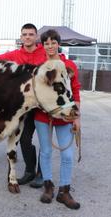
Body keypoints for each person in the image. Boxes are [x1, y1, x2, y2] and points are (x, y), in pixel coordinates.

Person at [0, 23, 46, 188]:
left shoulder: (44, 56)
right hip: (23, 107)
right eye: (25, 34)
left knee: (44, 141)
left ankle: (42, 174)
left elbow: (59, 64)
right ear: (21, 37)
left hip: (41, 106)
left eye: (31, 34)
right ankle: (29, 172)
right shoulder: (14, 54)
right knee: (25, 139)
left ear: (36, 37)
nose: (28, 37)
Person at [35, 29, 81, 210]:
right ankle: (48, 186)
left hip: (65, 116)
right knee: (45, 152)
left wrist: (77, 117)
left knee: (67, 154)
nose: (50, 46)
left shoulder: (69, 65)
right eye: (47, 43)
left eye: (53, 42)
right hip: (43, 116)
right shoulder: (39, 66)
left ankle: (64, 191)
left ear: (58, 44)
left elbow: (75, 91)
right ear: (43, 45)